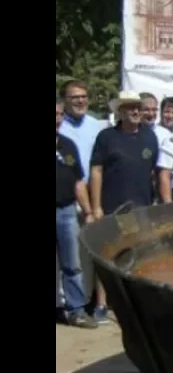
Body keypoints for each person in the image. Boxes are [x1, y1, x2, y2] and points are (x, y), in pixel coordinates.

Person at [90, 91, 172, 216]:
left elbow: (153, 171)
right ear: (120, 111)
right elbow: (96, 171)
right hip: (113, 208)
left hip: (144, 207)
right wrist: (96, 207)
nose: (136, 111)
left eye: (139, 108)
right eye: (131, 108)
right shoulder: (106, 137)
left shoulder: (150, 136)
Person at [56, 97, 97, 329]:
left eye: (59, 114)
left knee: (72, 264)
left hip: (66, 212)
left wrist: (89, 211)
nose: (57, 119)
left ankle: (76, 311)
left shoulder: (68, 145)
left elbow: (79, 182)